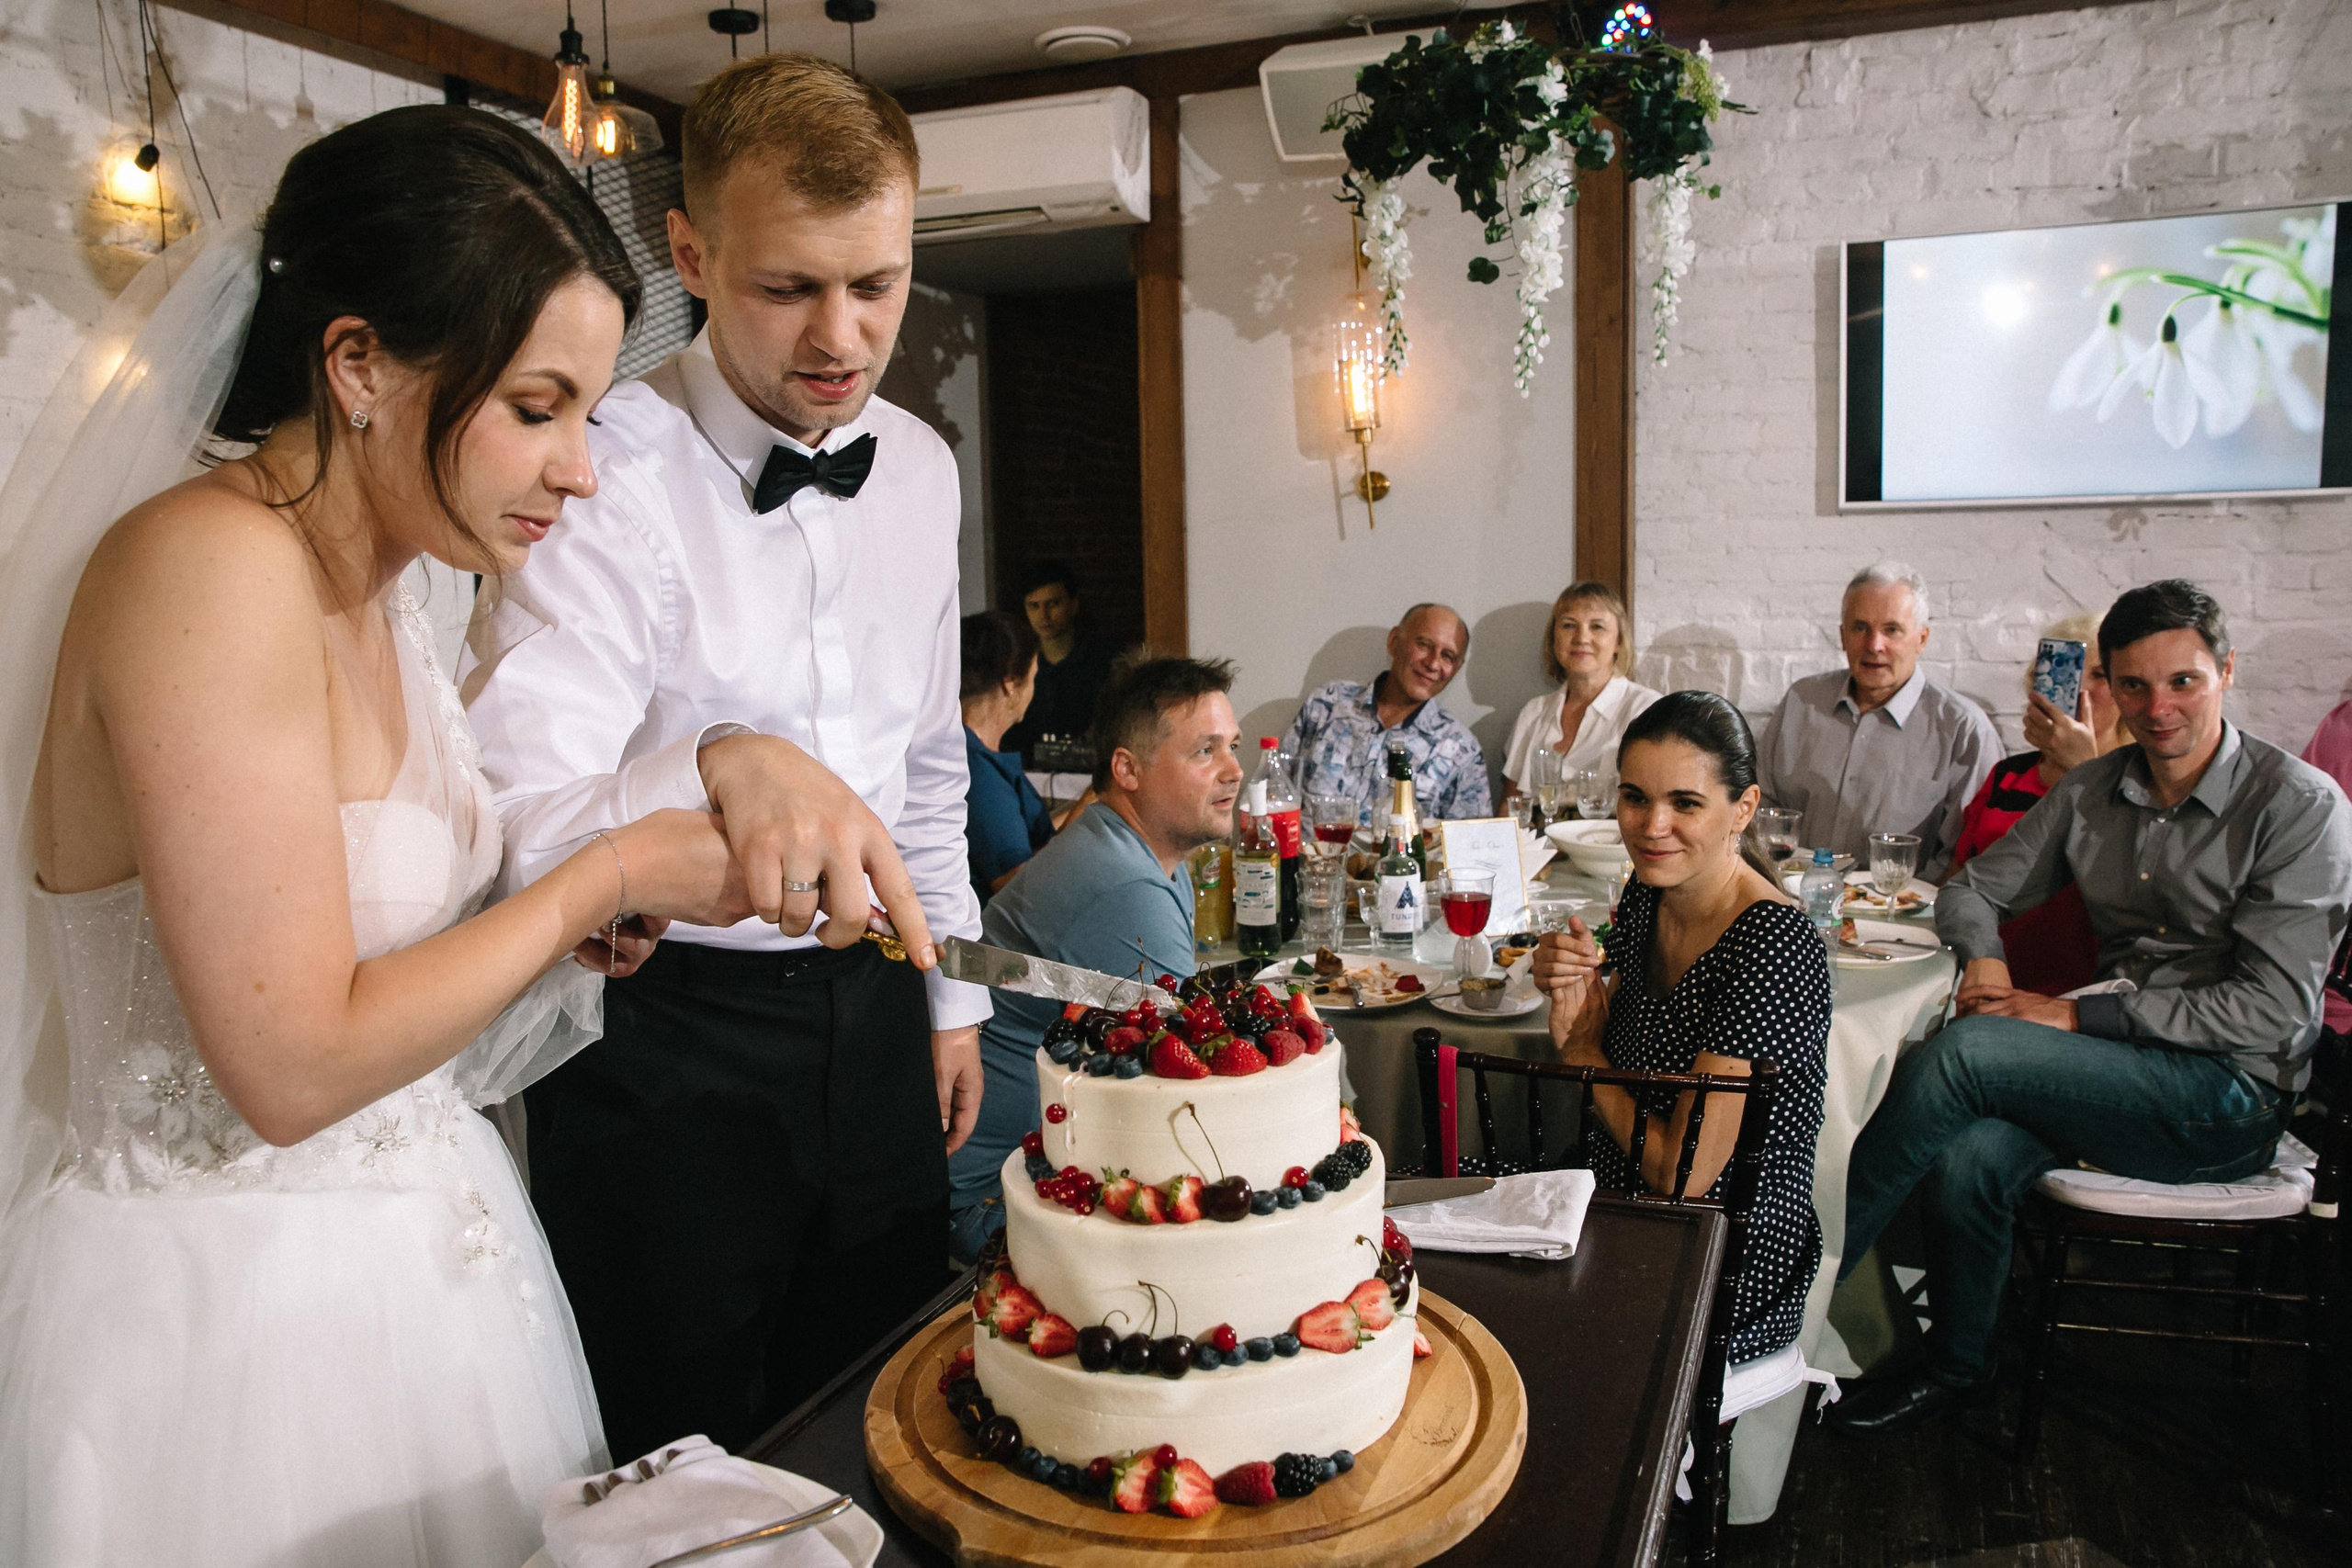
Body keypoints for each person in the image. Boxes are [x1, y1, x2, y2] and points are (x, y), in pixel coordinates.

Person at [0, 108, 756, 1565]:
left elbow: (378, 971)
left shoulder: (404, 589)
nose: (580, 468)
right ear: (358, 364)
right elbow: (285, 1065)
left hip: (429, 1282)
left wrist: (543, 933)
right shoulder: (206, 568)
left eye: (590, 413)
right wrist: (601, 869)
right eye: (539, 408)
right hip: (223, 1332)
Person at [459, 54, 985, 1461]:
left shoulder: (922, 468)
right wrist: (713, 754)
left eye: (876, 283)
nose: (844, 334)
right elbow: (519, 808)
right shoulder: (596, 469)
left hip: (879, 1006)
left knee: (882, 1409)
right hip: (660, 1037)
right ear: (689, 252)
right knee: (678, 1439)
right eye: (787, 286)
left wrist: (948, 1000)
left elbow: (927, 766)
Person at [1832, 581, 2352, 1436]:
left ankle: (1778, 1301)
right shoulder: (2096, 787)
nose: (2158, 708)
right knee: (1968, 1154)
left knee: (1965, 1056)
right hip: (2117, 1077)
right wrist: (1989, 963)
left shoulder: (2296, 804)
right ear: (2107, 680)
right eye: (2134, 684)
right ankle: (1960, 1367)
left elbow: (2269, 1009)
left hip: (2230, 1096)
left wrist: (2076, 1017)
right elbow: (1970, 889)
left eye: (2183, 681)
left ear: (2226, 671)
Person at [1532, 691, 1830, 1364]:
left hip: (1719, 1256)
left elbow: (1682, 1175)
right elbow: (1618, 1038)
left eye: (1685, 803)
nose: (1651, 824)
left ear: (1744, 809)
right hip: (1614, 1203)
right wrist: (1574, 986)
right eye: (1634, 796)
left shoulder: (1773, 944)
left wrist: (1584, 1053)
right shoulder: (1648, 889)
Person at [946, 657, 1242, 1261]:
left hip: (1021, 1171)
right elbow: (1193, 1093)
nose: (1235, 771)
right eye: (1205, 751)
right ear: (1127, 769)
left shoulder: (1136, 852)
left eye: (1232, 746)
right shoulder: (1123, 886)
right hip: (991, 1204)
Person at [1757, 562, 1998, 880]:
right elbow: (1761, 806)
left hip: (1904, 918)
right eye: (1860, 627)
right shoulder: (1801, 702)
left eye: (1892, 630)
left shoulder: (1963, 730)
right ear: (1842, 636)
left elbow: (1967, 855)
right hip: (1791, 904)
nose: (1874, 645)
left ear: (1922, 638)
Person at [1947, 613, 2131, 995]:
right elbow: (1960, 875)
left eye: (2098, 675)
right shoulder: (2008, 776)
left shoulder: (2136, 782)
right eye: (2066, 669)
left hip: (2081, 996)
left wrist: (2086, 769)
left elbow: (2131, 887)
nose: (2080, 687)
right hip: (1984, 974)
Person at [1284, 602, 1490, 823]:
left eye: (1447, 656)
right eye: (1423, 645)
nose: (1432, 663)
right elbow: (1276, 792)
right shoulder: (1327, 704)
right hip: (1307, 856)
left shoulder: (1461, 749)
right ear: (1394, 642)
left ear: (1456, 669)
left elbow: (1472, 844)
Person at [1499, 581, 1661, 808]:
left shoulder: (1646, 710)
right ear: (1553, 638)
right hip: (1536, 843)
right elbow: (1509, 807)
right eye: (1568, 625)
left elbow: (1653, 804)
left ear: (1619, 641)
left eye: (1597, 627)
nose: (1581, 638)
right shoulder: (1533, 712)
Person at [962, 609, 1054, 901]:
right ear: (1011, 684)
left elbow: (1026, 839)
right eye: (1032, 677)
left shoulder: (978, 756)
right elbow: (1018, 888)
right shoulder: (977, 770)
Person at [1000, 558, 1122, 768]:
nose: (1043, 615)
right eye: (1034, 606)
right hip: (1030, 775)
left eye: (1053, 603)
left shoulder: (1105, 661)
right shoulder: (1018, 665)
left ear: (1074, 605)